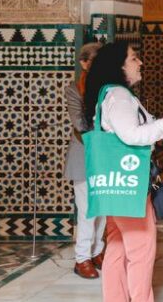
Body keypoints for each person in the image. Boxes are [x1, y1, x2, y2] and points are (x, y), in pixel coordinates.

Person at [82, 41, 163, 302]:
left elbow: (132, 130)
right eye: (134, 59)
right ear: (119, 66)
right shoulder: (119, 96)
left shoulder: (109, 94)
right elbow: (132, 135)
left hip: (115, 184)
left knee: (118, 247)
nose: (140, 63)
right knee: (141, 250)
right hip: (129, 187)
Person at [64, 42, 105, 279]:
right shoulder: (74, 89)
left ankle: (97, 251)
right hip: (84, 154)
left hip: (104, 154)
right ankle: (82, 258)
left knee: (103, 208)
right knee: (88, 209)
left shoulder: (108, 87)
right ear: (84, 62)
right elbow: (79, 123)